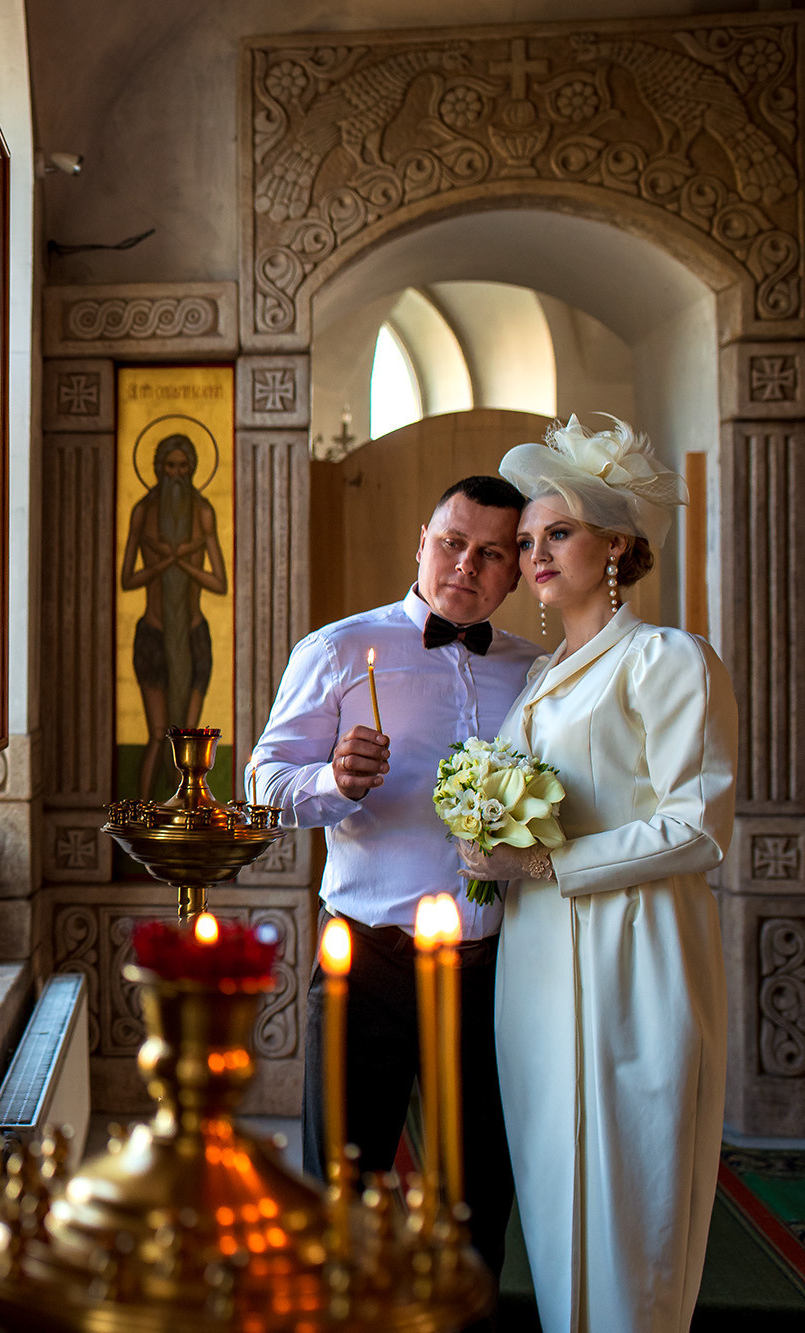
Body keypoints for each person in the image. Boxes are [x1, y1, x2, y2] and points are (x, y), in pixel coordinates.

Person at [461, 416, 733, 1333]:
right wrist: (479, 836)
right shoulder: (539, 680)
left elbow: (696, 824)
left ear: (617, 543)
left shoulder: (669, 660)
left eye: (558, 533)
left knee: (630, 1179)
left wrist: (544, 857)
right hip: (536, 956)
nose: (535, 553)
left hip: (635, 946)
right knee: (551, 1180)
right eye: (528, 541)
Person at [249, 474, 539, 1279]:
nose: (466, 565)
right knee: (341, 1192)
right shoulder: (339, 650)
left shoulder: (539, 673)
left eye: (490, 553)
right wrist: (334, 782)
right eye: (452, 541)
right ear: (422, 539)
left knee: (478, 1201)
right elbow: (262, 784)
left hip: (492, 974)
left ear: (515, 572)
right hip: (365, 964)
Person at [121, 433, 228, 799]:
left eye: (184, 467)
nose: (177, 474)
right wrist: (172, 558)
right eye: (170, 466)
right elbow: (127, 579)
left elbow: (218, 582)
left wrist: (180, 559)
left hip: (194, 637)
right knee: (156, 736)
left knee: (189, 740)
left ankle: (190, 820)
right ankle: (143, 817)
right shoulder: (143, 512)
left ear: (193, 469)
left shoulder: (202, 512)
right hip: (153, 636)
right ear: (158, 469)